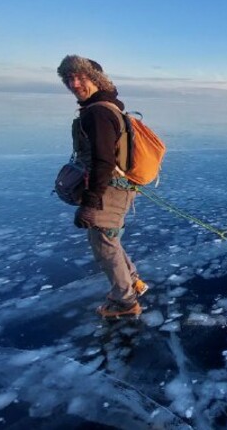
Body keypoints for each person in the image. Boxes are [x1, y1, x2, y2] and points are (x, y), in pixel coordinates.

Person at [56, 55, 148, 318]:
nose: (74, 84)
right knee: (111, 239)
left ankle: (125, 302)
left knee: (104, 243)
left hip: (109, 189)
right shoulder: (106, 107)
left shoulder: (97, 113)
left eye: (80, 77)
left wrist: (90, 201)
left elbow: (103, 161)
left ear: (95, 79)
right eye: (69, 79)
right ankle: (132, 282)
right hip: (117, 186)